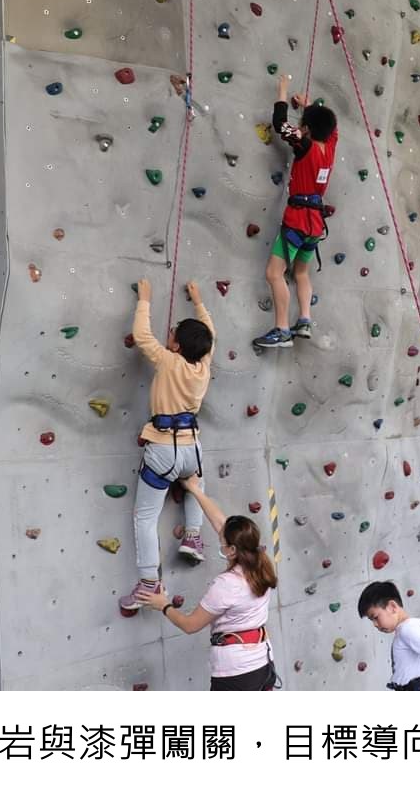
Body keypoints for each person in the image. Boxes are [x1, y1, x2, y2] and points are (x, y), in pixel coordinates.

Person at [119, 278, 215, 612]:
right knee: (195, 487)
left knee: (145, 517)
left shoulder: (168, 361)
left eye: (172, 333)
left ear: (175, 346)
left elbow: (142, 335)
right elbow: (210, 334)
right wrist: (198, 301)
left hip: (163, 450)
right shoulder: (203, 365)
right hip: (192, 450)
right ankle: (193, 535)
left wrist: (145, 299)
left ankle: (149, 581)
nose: (168, 334)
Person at [139, 475, 279, 690]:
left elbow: (190, 625)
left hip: (237, 674)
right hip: (262, 662)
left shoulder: (227, 584)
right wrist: (195, 490)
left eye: (223, 542)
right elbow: (222, 524)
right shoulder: (261, 562)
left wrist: (163, 605)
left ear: (232, 550)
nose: (219, 542)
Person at [252, 72, 338, 349]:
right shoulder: (330, 147)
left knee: (274, 273)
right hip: (315, 225)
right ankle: (304, 320)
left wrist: (282, 90)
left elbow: (280, 125)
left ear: (308, 129)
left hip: (298, 221)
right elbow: (332, 128)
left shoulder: (305, 144)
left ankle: (282, 330)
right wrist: (308, 106)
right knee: (301, 273)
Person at [358, 581, 420, 691]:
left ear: (392, 607)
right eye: (371, 620)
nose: (375, 624)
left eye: (375, 617)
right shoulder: (414, 627)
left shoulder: (407, 630)